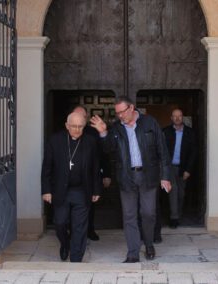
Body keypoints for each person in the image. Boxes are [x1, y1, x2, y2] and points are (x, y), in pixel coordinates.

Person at [90, 96, 171, 263]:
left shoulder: (150, 123)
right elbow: (107, 150)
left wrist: (165, 176)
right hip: (127, 177)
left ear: (132, 108)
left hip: (148, 175)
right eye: (117, 112)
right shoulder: (116, 128)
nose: (120, 116)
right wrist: (103, 132)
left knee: (148, 214)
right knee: (129, 216)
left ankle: (148, 244)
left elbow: (162, 151)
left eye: (122, 112)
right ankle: (133, 252)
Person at [41, 112, 101, 262]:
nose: (77, 130)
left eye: (80, 126)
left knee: (79, 226)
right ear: (67, 126)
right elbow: (46, 168)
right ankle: (65, 244)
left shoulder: (90, 141)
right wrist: (46, 190)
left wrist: (96, 190)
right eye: (73, 126)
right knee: (60, 222)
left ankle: (76, 259)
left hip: (81, 190)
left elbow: (95, 168)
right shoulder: (55, 141)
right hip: (61, 191)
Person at [72, 105, 112, 241]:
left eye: (82, 116)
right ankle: (73, 231)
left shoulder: (94, 132)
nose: (79, 119)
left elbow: (103, 154)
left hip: (90, 176)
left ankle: (90, 230)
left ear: (86, 118)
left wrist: (106, 174)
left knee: (89, 205)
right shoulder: (65, 132)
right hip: (71, 178)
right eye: (76, 115)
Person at [163, 109, 196, 228]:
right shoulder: (165, 131)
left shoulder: (190, 133)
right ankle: (174, 218)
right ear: (171, 118)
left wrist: (188, 170)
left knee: (181, 194)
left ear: (183, 118)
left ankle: (178, 214)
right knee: (173, 190)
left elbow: (193, 153)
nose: (177, 118)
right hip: (170, 167)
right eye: (174, 116)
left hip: (183, 168)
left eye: (179, 116)